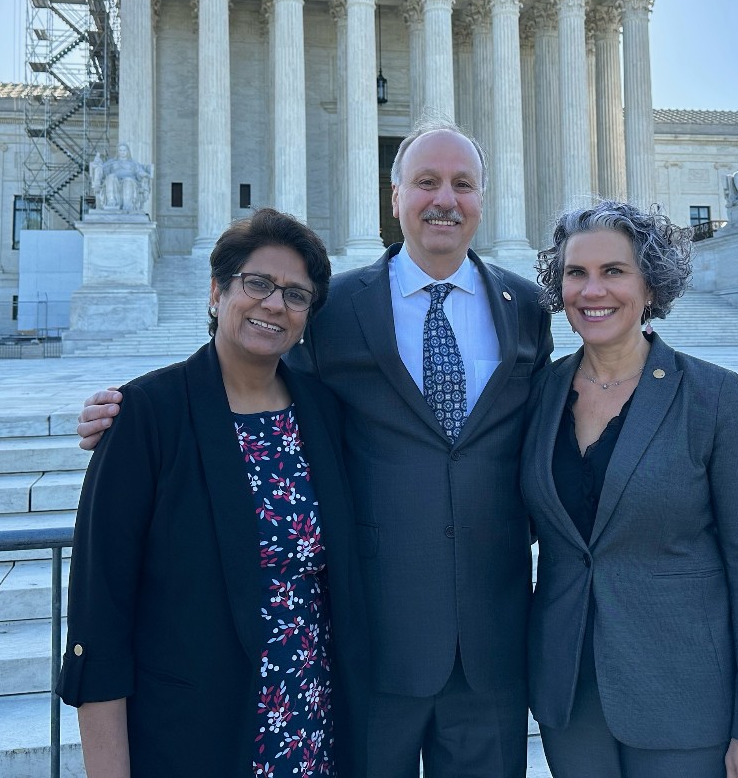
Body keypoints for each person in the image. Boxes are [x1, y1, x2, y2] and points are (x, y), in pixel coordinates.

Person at [78, 120, 554, 778]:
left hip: (490, 651)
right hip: (369, 647)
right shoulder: (337, 309)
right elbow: (248, 367)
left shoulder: (526, 305)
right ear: (395, 197)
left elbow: (549, 428)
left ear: (482, 197)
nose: (444, 198)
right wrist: (133, 415)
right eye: (425, 182)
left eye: (462, 184)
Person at [58, 208, 368, 777]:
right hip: (193, 734)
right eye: (258, 283)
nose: (274, 304)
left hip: (311, 727)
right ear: (216, 291)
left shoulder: (323, 413)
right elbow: (99, 618)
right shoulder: (146, 417)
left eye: (296, 295)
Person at [521, 200, 738, 778]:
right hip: (570, 697)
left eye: (613, 271)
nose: (592, 290)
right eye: (576, 273)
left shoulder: (712, 396)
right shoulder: (539, 394)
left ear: (650, 284)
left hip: (685, 695)